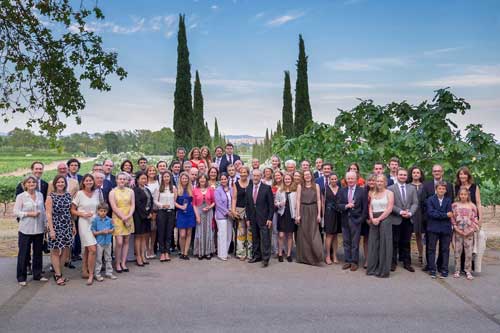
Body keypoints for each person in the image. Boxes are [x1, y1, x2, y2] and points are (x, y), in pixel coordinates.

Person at [15, 175, 48, 286]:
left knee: (38, 253)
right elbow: (16, 212)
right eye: (28, 182)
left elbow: (43, 211)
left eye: (33, 182)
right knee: (24, 254)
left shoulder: (40, 195)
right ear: (25, 185)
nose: (31, 184)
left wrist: (45, 224)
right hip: (25, 229)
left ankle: (37, 274)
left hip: (38, 229)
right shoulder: (21, 196)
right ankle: (21, 277)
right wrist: (29, 214)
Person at [422, 164, 454, 272]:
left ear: (442, 172)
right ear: (432, 172)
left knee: (444, 248)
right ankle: (431, 266)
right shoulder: (426, 185)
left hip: (445, 226)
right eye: (435, 171)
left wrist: (444, 214)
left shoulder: (449, 186)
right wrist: (443, 215)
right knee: (430, 247)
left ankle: (442, 266)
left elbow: (450, 204)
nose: (437, 172)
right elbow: (425, 204)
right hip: (431, 222)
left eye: (439, 171)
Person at [46, 175, 75, 286]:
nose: (60, 184)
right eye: (58, 182)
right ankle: (57, 274)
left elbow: (70, 211)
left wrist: (73, 225)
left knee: (66, 250)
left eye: (62, 182)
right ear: (54, 184)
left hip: (67, 224)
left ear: (65, 184)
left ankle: (60, 272)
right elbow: (48, 214)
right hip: (56, 225)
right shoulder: (50, 197)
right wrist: (51, 230)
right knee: (55, 250)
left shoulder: (68, 195)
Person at [71, 174, 99, 285]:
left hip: (95, 223)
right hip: (84, 223)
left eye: (90, 180)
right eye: (86, 180)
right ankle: (91, 274)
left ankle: (84, 271)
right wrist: (82, 214)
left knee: (87, 249)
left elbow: (100, 208)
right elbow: (72, 210)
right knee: (92, 249)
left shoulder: (96, 193)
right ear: (83, 182)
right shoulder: (79, 194)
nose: (89, 182)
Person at [389, 168, 418, 272]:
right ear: (397, 175)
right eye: (400, 175)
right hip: (396, 219)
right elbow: (390, 205)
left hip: (408, 219)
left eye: (404, 175)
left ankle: (407, 263)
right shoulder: (391, 188)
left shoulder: (412, 188)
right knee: (394, 242)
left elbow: (415, 203)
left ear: (407, 176)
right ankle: (392, 263)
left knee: (406, 242)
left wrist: (410, 213)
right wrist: (400, 212)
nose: (402, 176)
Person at [454, 166, 483, 273]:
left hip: (472, 218)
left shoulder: (475, 187)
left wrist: (480, 219)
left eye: (464, 174)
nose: (462, 176)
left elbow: (479, 203)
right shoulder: (456, 187)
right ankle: (460, 267)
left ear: (468, 175)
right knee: (459, 243)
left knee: (472, 244)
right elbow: (455, 202)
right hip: (460, 220)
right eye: (460, 174)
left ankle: (470, 268)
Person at [338, 171, 368, 271]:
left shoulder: (362, 191)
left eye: (352, 178)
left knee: (355, 243)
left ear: (356, 179)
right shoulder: (342, 190)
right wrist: (346, 206)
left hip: (356, 221)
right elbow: (338, 205)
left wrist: (361, 220)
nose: (350, 180)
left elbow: (365, 208)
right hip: (345, 220)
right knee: (346, 242)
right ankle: (347, 261)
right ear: (346, 179)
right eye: (348, 179)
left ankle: (354, 262)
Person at [366, 175, 395, 278]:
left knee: (384, 244)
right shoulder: (373, 193)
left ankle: (383, 269)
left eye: (381, 181)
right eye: (377, 181)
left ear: (385, 182)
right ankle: (372, 268)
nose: (379, 183)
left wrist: (379, 219)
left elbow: (389, 209)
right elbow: (370, 207)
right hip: (374, 219)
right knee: (373, 243)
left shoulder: (389, 193)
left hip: (385, 219)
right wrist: (372, 218)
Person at [246, 169, 274, 267]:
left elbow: (271, 205)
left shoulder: (266, 188)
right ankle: (256, 256)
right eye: (254, 175)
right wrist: (248, 219)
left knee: (265, 239)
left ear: (261, 176)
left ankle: (265, 259)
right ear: (251, 176)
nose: (256, 177)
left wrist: (270, 218)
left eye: (258, 176)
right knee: (255, 238)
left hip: (264, 218)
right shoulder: (249, 188)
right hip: (253, 218)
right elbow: (248, 205)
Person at [425, 181, 453, 278]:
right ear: (436, 189)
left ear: (445, 190)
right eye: (439, 188)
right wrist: (445, 215)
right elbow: (431, 213)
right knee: (431, 249)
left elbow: (450, 213)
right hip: (433, 227)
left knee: (445, 249)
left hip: (446, 228)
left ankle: (444, 269)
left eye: (443, 189)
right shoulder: (430, 200)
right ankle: (432, 268)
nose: (441, 190)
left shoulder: (449, 200)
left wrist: (440, 214)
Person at [296, 170, 323, 265]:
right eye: (305, 175)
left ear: (311, 175)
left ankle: (317, 257)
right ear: (303, 176)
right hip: (303, 210)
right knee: (303, 235)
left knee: (314, 234)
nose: (307, 176)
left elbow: (319, 200)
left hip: (313, 210)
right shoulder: (300, 186)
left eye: (309, 174)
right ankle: (305, 258)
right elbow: (298, 200)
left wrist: (319, 214)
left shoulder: (316, 186)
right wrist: (297, 215)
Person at [109, 172, 135, 273]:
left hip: (129, 217)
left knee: (126, 241)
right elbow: (113, 207)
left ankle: (123, 263)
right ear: (116, 180)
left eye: (124, 179)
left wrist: (128, 216)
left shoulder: (130, 191)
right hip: (118, 217)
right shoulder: (112, 192)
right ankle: (117, 263)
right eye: (120, 179)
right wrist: (123, 217)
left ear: (127, 181)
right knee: (119, 242)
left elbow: (133, 205)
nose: (122, 181)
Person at [451, 187, 479, 280]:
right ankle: (457, 270)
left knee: (469, 253)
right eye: (461, 194)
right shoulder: (454, 205)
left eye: (465, 194)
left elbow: (475, 219)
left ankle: (468, 271)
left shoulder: (472, 206)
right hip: (458, 233)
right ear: (459, 195)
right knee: (457, 252)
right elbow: (452, 219)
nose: (463, 196)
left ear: (468, 195)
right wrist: (456, 228)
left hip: (469, 233)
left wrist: (471, 230)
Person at [91, 203, 117, 281]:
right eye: (101, 211)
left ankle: (109, 272)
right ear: (98, 211)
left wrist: (109, 231)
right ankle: (97, 274)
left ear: (107, 211)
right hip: (99, 242)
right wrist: (101, 232)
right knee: (98, 259)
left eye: (104, 211)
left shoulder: (109, 220)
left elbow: (113, 229)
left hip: (108, 242)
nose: (103, 212)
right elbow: (93, 232)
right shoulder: (95, 220)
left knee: (108, 257)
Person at [154, 171, 176, 262]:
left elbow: (175, 201)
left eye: (168, 176)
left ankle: (167, 252)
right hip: (161, 212)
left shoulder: (173, 188)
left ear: (170, 178)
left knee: (169, 233)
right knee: (161, 232)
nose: (166, 178)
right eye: (165, 176)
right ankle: (162, 252)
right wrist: (162, 205)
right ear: (162, 178)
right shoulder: (158, 188)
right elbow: (155, 201)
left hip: (171, 212)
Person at [133, 172, 153, 266]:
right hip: (139, 216)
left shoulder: (147, 189)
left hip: (147, 216)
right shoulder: (135, 190)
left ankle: (143, 255)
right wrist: (145, 214)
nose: (144, 180)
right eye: (142, 178)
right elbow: (138, 204)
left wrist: (150, 213)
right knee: (138, 237)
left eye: (145, 179)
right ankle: (138, 257)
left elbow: (150, 202)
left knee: (144, 237)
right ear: (137, 180)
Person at [193, 174, 215, 260]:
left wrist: (209, 207)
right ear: (198, 180)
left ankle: (208, 252)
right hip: (199, 212)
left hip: (209, 212)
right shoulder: (195, 190)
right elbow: (194, 205)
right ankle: (200, 252)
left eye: (204, 178)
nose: (202, 180)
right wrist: (197, 216)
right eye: (200, 178)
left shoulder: (210, 189)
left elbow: (214, 202)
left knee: (209, 231)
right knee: (200, 232)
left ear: (206, 180)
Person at [275, 173, 297, 262]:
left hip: (291, 215)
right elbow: (275, 202)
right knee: (281, 235)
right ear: (283, 180)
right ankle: (280, 253)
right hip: (282, 214)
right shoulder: (280, 190)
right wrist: (280, 204)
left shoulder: (295, 190)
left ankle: (288, 254)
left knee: (290, 235)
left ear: (291, 180)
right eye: (286, 179)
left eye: (289, 179)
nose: (287, 180)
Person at [232, 166, 252, 260]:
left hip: (250, 209)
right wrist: (233, 210)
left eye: (245, 172)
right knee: (241, 233)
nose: (243, 174)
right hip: (239, 210)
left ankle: (250, 253)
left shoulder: (251, 182)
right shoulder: (236, 184)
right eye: (241, 172)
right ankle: (241, 253)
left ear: (248, 173)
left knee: (250, 232)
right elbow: (234, 198)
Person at [175, 172, 196, 260]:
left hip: (190, 212)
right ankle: (182, 251)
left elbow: (194, 201)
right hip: (181, 212)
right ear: (180, 179)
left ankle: (185, 253)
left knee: (189, 233)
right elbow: (173, 202)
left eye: (186, 178)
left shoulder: (191, 189)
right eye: (183, 178)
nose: (184, 180)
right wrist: (181, 207)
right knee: (182, 234)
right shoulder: (177, 189)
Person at [408, 166, 426, 265]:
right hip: (410, 212)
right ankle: (408, 256)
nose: (415, 174)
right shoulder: (408, 185)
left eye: (417, 173)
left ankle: (420, 255)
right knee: (408, 235)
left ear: (420, 174)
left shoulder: (424, 186)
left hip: (420, 213)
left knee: (419, 235)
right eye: (414, 172)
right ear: (411, 174)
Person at [323, 173, 342, 265]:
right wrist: (322, 215)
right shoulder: (325, 189)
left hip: (338, 214)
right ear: (329, 180)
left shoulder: (341, 189)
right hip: (329, 213)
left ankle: (335, 255)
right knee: (329, 235)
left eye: (335, 179)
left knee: (335, 235)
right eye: (332, 179)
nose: (334, 180)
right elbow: (322, 203)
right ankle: (327, 255)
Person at [215, 173, 234, 261]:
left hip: (231, 214)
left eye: (225, 179)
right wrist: (227, 212)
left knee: (229, 235)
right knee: (222, 234)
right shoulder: (217, 190)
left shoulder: (231, 189)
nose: (223, 181)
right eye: (222, 179)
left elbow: (234, 200)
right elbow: (218, 204)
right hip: (221, 215)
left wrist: (232, 211)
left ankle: (225, 252)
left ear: (228, 179)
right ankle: (221, 254)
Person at [145, 166, 159, 259]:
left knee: (153, 229)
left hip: (155, 208)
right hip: (146, 209)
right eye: (150, 170)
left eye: (153, 170)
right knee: (146, 231)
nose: (152, 172)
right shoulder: (144, 182)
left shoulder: (158, 182)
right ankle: (146, 249)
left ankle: (152, 249)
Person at [271, 170, 283, 256]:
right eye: (276, 176)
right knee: (275, 231)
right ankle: (275, 250)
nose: (277, 177)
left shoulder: (286, 186)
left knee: (283, 231)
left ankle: (283, 249)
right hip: (274, 211)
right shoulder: (272, 187)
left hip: (284, 211)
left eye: (279, 176)